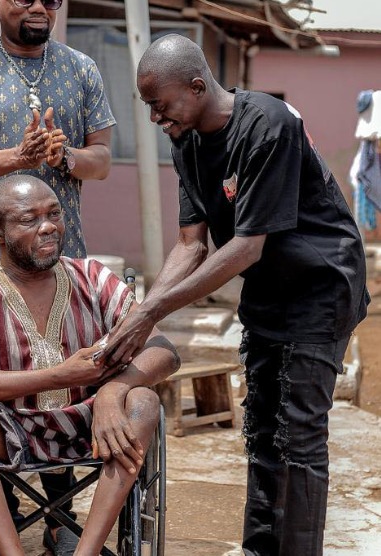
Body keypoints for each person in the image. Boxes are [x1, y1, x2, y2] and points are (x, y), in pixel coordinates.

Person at [99, 34, 369, 556]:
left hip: (321, 285)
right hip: (269, 286)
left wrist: (152, 311)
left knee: (298, 436)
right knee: (262, 427)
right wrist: (140, 313)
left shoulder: (269, 125)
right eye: (148, 106)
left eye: (160, 104)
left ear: (197, 87)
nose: (154, 118)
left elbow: (246, 246)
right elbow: (191, 243)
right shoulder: (187, 141)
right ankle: (258, 548)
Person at [0, 0, 115, 546]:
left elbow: (102, 158)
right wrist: (16, 157)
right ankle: (0, 517)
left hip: (61, 263)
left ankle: (59, 518)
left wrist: (63, 156)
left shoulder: (81, 68)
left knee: (64, 375)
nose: (38, 6)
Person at [0, 174, 179, 556]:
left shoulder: (92, 276)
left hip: (90, 427)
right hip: (7, 426)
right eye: (28, 219)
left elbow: (163, 349)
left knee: (143, 402)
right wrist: (57, 376)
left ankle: (86, 552)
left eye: (54, 214)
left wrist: (112, 391)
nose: (48, 227)